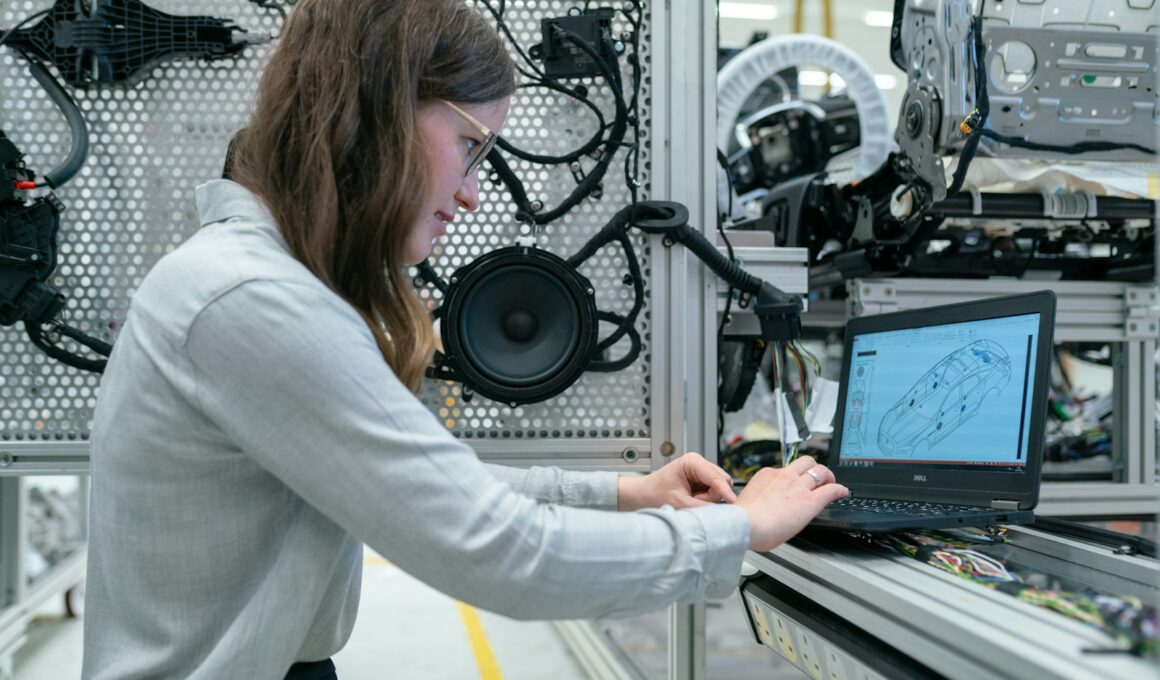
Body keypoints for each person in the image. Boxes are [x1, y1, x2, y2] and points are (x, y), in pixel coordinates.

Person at [80, 1, 848, 678]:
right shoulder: (252, 300)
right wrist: (739, 527)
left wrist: (625, 493)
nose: (474, 189)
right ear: (375, 113)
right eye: (471, 144)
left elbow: (418, 477)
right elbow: (503, 553)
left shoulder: (251, 281)